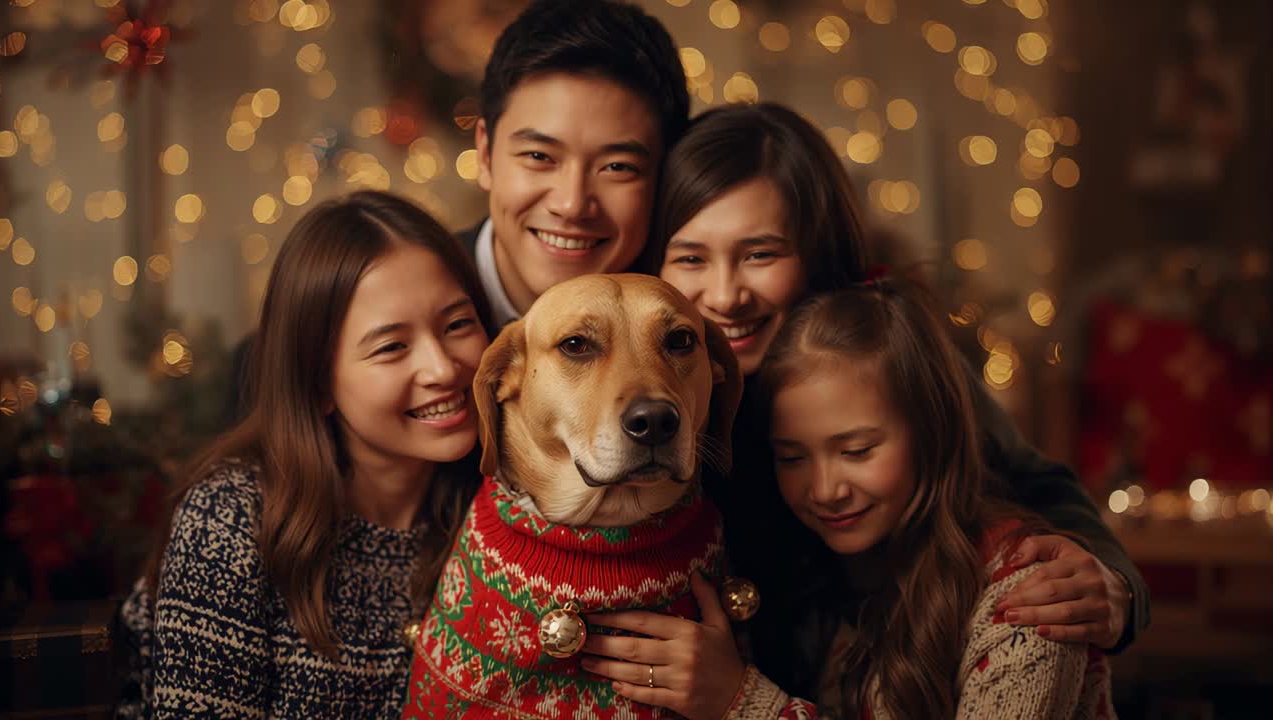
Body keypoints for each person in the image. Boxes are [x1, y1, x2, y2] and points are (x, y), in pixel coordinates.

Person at [578, 103, 1145, 713]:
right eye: (690, 258)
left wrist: (1116, 587)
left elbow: (1036, 484)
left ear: (817, 255)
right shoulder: (644, 385)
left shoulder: (883, 359)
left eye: (761, 254)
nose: (724, 296)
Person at [584, 281, 1117, 719]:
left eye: (857, 450)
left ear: (931, 433)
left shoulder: (1031, 604)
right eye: (792, 457)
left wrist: (740, 703)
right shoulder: (805, 574)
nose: (825, 490)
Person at [114, 191, 493, 718]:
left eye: (457, 325)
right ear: (318, 384)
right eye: (391, 347)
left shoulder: (499, 506)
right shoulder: (230, 520)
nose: (444, 368)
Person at [458, 0, 690, 331]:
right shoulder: (404, 303)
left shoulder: (689, 311)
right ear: (484, 153)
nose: (572, 205)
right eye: (539, 156)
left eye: (616, 167)